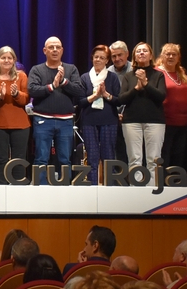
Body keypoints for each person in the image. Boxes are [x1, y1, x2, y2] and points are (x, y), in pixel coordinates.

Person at [27, 37, 84, 184]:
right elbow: (32, 90)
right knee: (41, 157)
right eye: (51, 47)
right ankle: (41, 189)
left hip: (65, 121)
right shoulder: (37, 69)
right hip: (42, 120)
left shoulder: (71, 69)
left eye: (57, 47)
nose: (54, 50)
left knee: (65, 158)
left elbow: (79, 90)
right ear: (44, 50)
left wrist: (64, 81)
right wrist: (52, 86)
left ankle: (64, 189)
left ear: (62, 50)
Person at [118, 42, 167, 186]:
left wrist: (145, 84)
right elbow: (122, 98)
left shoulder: (158, 75)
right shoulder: (128, 76)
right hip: (132, 121)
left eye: (144, 51)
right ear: (134, 56)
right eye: (138, 51)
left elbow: (161, 96)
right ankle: (136, 190)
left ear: (150, 55)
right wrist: (136, 88)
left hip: (155, 121)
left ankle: (152, 191)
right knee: (134, 158)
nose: (141, 53)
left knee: (153, 158)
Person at [0, 46, 29, 183]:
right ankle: (1, 189)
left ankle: (18, 191)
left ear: (14, 60)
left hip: (20, 124)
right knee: (0, 158)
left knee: (19, 158)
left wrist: (16, 94)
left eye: (10, 58)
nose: (7, 60)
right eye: (3, 58)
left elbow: (26, 99)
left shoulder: (21, 76)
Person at [78, 45, 121, 185]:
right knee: (92, 156)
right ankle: (93, 186)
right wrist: (94, 96)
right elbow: (80, 101)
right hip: (89, 120)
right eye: (96, 57)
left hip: (109, 120)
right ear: (92, 58)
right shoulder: (84, 78)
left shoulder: (112, 77)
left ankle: (110, 189)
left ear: (107, 60)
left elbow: (118, 100)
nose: (98, 60)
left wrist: (105, 95)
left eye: (102, 58)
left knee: (108, 155)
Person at [155, 43, 187, 176]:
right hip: (165, 121)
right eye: (167, 54)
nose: (170, 57)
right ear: (162, 56)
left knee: (179, 156)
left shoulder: (182, 72)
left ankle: (176, 187)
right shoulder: (157, 72)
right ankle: (164, 188)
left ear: (178, 57)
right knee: (164, 156)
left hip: (183, 122)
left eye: (174, 54)